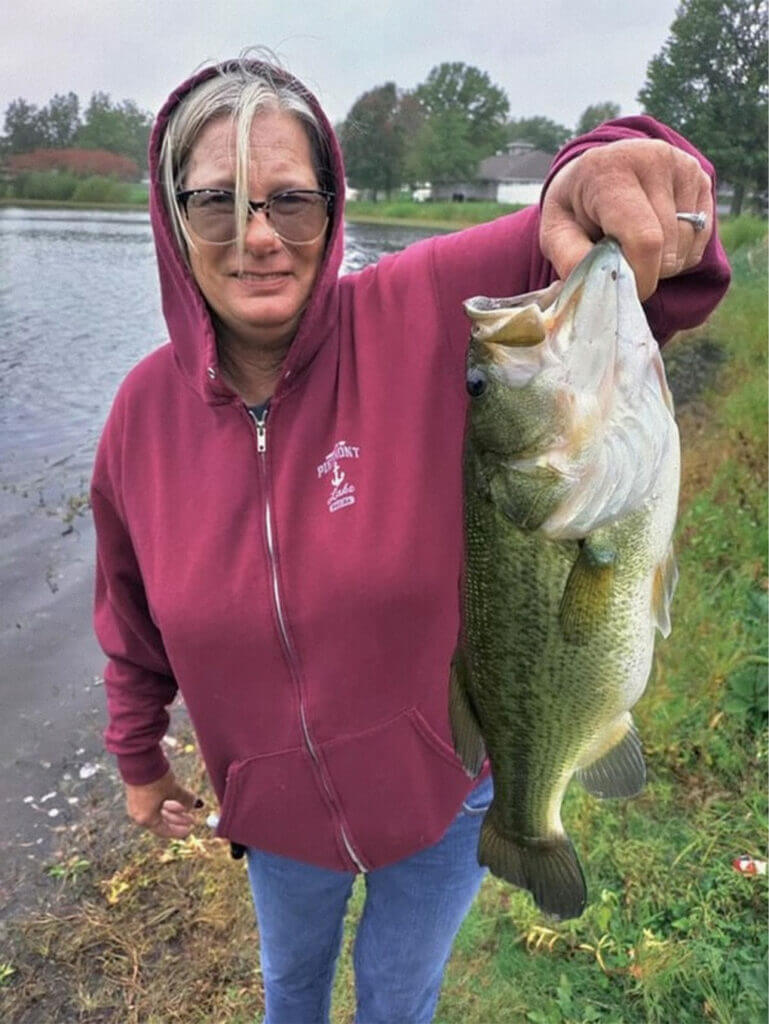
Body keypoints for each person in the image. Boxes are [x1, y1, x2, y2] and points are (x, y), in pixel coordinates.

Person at [91, 56, 730, 1024]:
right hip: (276, 822)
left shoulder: (422, 308)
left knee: (398, 998)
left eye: (291, 201)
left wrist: (610, 166)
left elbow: (609, 236)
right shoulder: (139, 413)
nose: (257, 236)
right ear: (172, 218)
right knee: (290, 991)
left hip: (445, 795)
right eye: (216, 201)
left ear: (332, 207)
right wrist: (139, 759)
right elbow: (130, 619)